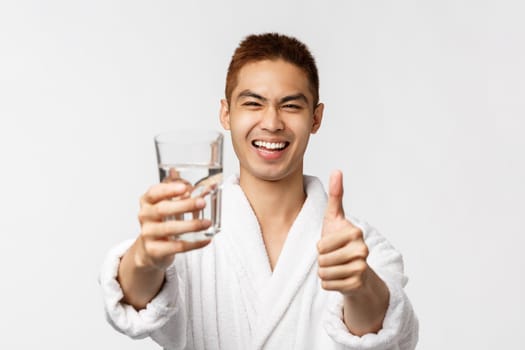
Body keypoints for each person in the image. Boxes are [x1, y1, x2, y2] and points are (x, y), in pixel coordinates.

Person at [100, 33, 418, 349]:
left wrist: (359, 284)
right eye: (253, 103)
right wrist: (145, 257)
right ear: (226, 113)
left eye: (291, 106)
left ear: (316, 118)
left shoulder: (359, 247)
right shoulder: (189, 233)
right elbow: (134, 307)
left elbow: (393, 333)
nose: (271, 122)